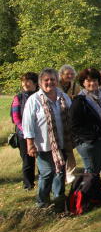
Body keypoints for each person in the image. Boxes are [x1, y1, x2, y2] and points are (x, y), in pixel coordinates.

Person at [22, 68, 72, 210]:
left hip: (61, 143)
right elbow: (28, 123)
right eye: (46, 80)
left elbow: (71, 114)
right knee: (48, 172)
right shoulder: (34, 100)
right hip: (42, 145)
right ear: (40, 82)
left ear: (57, 81)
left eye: (53, 79)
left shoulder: (63, 97)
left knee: (60, 172)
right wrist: (30, 144)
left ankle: (59, 199)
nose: (50, 82)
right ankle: (42, 202)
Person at [70, 68, 101, 175]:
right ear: (83, 82)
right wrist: (91, 138)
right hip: (89, 143)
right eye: (88, 81)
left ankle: (95, 191)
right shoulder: (80, 101)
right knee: (91, 171)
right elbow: (74, 126)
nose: (92, 83)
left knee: (96, 170)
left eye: (95, 80)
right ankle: (86, 191)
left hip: (100, 139)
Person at [10, 72, 38, 190]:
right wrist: (26, 131)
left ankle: (44, 183)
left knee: (44, 160)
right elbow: (16, 118)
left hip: (41, 134)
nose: (25, 84)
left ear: (35, 83)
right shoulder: (18, 97)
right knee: (27, 162)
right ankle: (28, 185)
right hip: (23, 135)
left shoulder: (40, 96)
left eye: (28, 81)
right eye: (23, 81)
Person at [58, 64, 80, 183]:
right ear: (61, 75)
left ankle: (70, 172)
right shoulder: (55, 85)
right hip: (58, 119)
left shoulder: (75, 87)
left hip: (69, 120)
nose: (70, 76)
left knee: (69, 147)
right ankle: (59, 173)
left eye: (72, 74)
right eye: (67, 74)